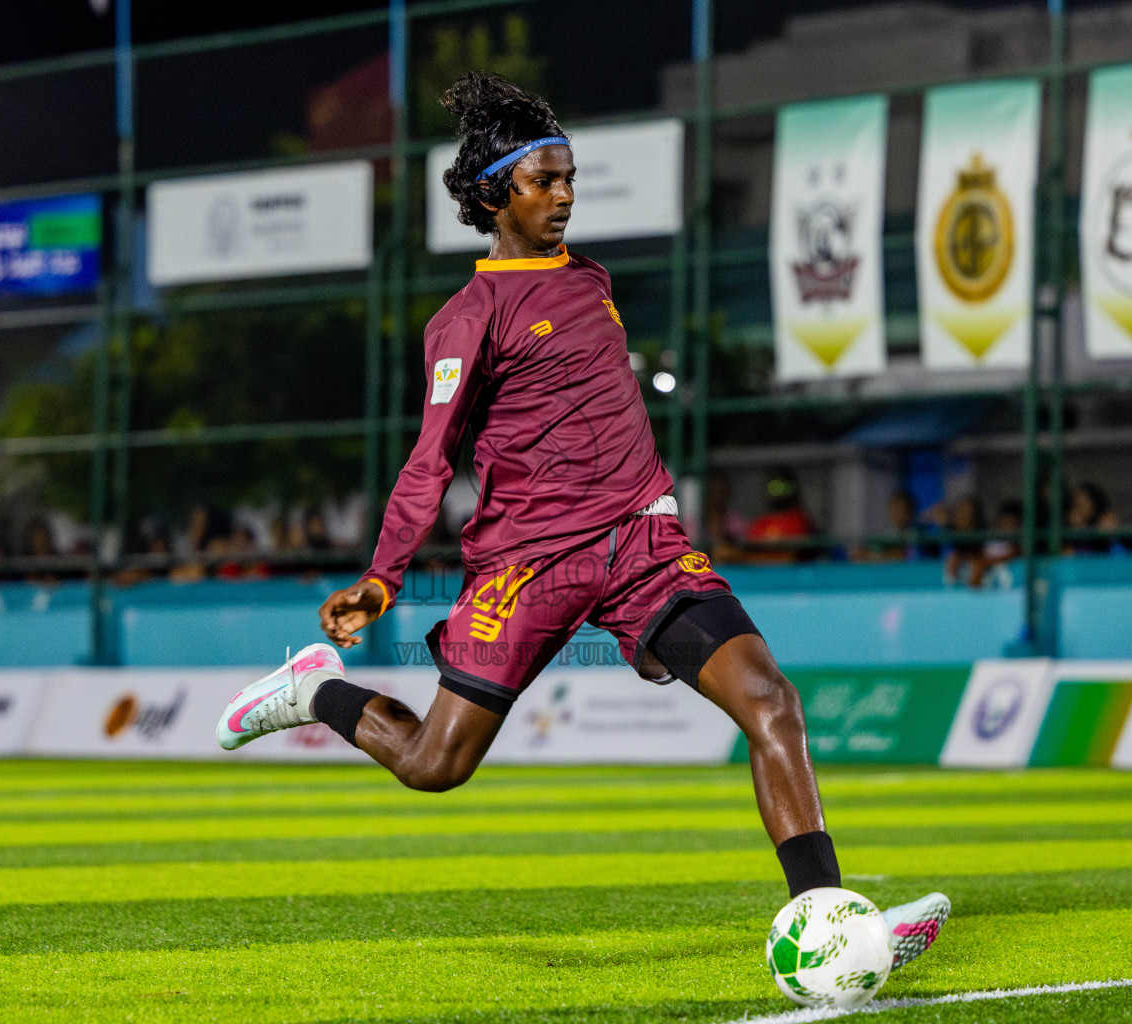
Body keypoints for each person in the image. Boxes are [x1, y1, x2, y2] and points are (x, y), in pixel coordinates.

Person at [214, 73, 947, 971]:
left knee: (772, 702)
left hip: (642, 546)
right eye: (544, 181)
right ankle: (311, 692)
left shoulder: (590, 278)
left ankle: (831, 923)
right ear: (496, 194)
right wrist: (383, 576)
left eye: (570, 178)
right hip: (526, 565)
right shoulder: (466, 321)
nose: (564, 195)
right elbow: (429, 458)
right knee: (435, 765)